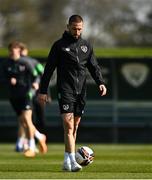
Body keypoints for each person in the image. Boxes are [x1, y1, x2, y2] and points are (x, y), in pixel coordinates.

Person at [38, 15, 107, 172]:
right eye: (74, 28)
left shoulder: (86, 46)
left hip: (81, 91)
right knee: (68, 125)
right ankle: (71, 160)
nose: (77, 31)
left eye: (80, 29)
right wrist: (43, 91)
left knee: (74, 127)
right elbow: (48, 69)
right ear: (68, 26)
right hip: (66, 90)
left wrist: (101, 83)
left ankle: (66, 160)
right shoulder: (59, 46)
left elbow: (94, 66)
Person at [3, 41, 47, 157]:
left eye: (15, 50)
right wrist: (9, 81)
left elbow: (37, 75)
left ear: (19, 50)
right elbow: (2, 78)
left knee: (27, 120)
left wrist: (36, 84)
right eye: (11, 50)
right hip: (14, 96)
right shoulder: (5, 64)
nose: (13, 52)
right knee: (23, 121)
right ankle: (39, 136)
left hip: (27, 95)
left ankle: (31, 147)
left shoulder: (27, 62)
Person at [19, 42, 47, 133]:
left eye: (22, 50)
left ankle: (40, 137)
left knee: (39, 117)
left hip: (37, 94)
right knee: (25, 118)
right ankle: (27, 140)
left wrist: (47, 93)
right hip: (25, 94)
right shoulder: (15, 63)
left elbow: (43, 76)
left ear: (26, 51)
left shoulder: (34, 62)